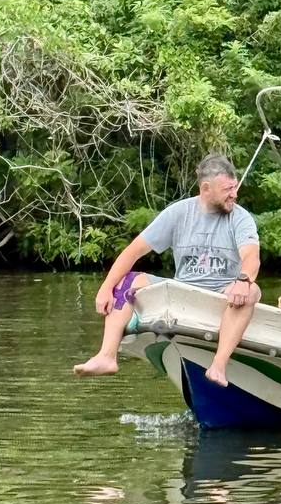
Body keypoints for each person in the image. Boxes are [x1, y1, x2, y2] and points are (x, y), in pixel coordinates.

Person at [73, 153, 260, 387]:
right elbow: (133, 251)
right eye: (227, 189)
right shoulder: (178, 213)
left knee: (252, 291)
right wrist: (105, 288)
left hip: (223, 292)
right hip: (183, 290)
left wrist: (244, 279)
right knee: (126, 281)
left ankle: (218, 365)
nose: (234, 194)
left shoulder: (240, 218)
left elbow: (252, 256)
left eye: (234, 187)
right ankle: (107, 356)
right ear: (206, 188)